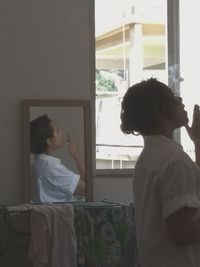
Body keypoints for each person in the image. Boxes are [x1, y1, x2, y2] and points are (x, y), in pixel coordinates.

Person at [120, 77, 200, 267]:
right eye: (173, 97)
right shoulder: (174, 161)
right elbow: (182, 234)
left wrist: (197, 141)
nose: (180, 100)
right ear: (160, 109)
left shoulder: (151, 156)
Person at [30, 114, 85, 203]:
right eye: (57, 130)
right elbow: (88, 189)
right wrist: (76, 154)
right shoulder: (53, 169)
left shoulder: (38, 163)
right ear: (50, 141)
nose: (61, 130)